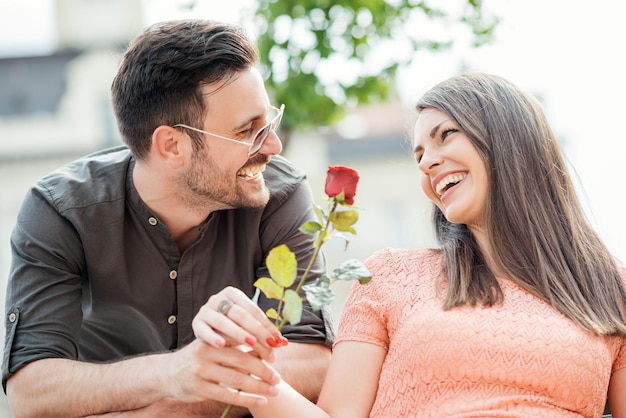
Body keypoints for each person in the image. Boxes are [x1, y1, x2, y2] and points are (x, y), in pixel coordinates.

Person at [232, 72, 625, 417]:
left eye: (446, 136)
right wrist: (244, 365)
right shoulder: (388, 278)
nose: (425, 163)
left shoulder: (611, 290)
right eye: (419, 153)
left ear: (511, 138)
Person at [2, 19, 334, 417]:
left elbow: (314, 359)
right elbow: (29, 392)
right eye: (248, 131)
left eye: (270, 121)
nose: (274, 146)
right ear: (172, 146)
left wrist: (170, 411)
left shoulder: (280, 193)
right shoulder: (59, 210)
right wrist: (171, 373)